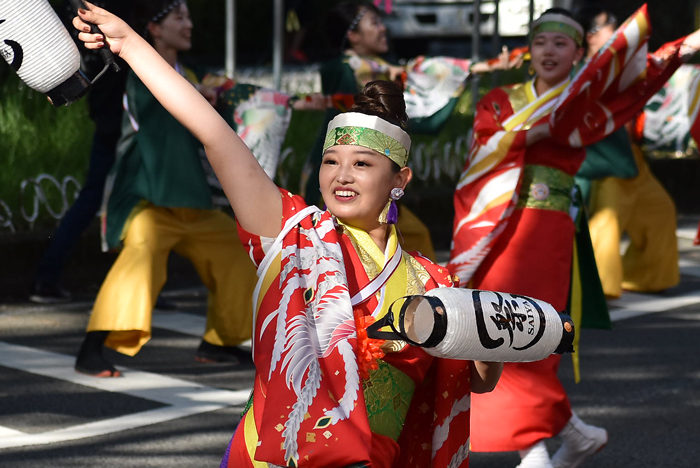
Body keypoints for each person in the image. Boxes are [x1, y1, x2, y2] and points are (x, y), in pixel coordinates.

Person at [72, 5, 506, 467]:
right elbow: (215, 135)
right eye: (330, 161)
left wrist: (493, 335)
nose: (342, 175)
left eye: (362, 163)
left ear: (399, 180)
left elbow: (475, 380)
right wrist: (130, 44)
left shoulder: (434, 282)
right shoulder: (294, 234)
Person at [449, 7, 700, 468]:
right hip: (492, 233)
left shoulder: (585, 102)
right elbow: (484, 148)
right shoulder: (502, 100)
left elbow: (639, 77)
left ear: (579, 53)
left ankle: (537, 450)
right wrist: (535, 129)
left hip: (545, 233)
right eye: (541, 41)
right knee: (485, 332)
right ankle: (567, 435)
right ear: (529, 50)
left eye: (561, 43)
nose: (549, 51)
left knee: (525, 335)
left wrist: (687, 46)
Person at [73, 0, 260, 377]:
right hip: (149, 198)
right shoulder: (138, 72)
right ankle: (90, 348)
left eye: (190, 15)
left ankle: (219, 342)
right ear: (155, 29)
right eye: (180, 16)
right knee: (140, 259)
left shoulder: (189, 74)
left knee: (239, 252)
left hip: (189, 200)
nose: (189, 23)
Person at [303, 1, 509, 260]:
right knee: (335, 248)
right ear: (353, 36)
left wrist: (481, 67)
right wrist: (479, 68)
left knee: (408, 238)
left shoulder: (384, 71)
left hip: (370, 186)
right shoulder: (345, 69)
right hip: (338, 182)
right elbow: (405, 74)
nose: (383, 29)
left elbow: (420, 78)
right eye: (374, 23)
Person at [29, 0, 135, 304]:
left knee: (120, 201)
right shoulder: (103, 14)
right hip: (119, 123)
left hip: (110, 119)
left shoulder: (79, 12)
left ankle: (143, 284)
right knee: (100, 199)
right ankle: (46, 277)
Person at [575, 6, 680, 299]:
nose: (615, 26)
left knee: (661, 211)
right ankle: (596, 288)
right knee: (606, 224)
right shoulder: (582, 75)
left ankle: (642, 277)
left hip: (631, 162)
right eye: (608, 23)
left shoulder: (620, 65)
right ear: (590, 36)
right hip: (602, 168)